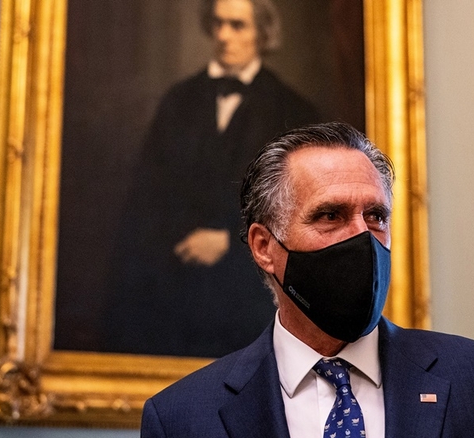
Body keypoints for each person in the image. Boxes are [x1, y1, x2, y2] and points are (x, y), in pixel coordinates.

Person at [139, 122, 474, 438]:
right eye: (330, 215)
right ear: (264, 246)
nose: (362, 237)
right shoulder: (182, 420)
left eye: (375, 216)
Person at [103, 0, 320, 357]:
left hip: (249, 296)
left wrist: (229, 241)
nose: (223, 36)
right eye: (217, 24)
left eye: (237, 26)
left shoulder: (292, 110)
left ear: (262, 34)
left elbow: (298, 212)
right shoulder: (178, 101)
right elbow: (146, 198)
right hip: (173, 284)